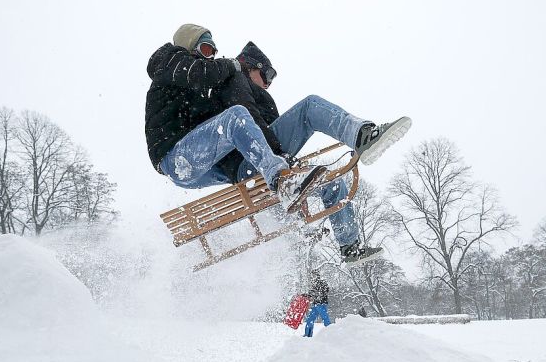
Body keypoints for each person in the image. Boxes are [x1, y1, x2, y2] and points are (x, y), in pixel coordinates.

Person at [145, 24, 410, 265]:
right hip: (179, 157)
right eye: (205, 49)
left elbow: (246, 128)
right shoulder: (178, 65)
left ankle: (350, 244)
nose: (269, 82)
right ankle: (284, 180)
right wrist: (282, 163)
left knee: (330, 178)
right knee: (243, 116)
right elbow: (234, 107)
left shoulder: (207, 88)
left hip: (239, 164)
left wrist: (287, 165)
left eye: (214, 52)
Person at [303, 272, 331, 338]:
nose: (312, 277)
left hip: (321, 304)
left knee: (325, 319)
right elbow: (311, 294)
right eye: (312, 276)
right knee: (310, 320)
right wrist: (305, 295)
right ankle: (308, 335)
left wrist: (319, 294)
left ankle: (331, 334)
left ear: (317, 276)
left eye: (313, 275)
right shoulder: (314, 285)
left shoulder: (322, 283)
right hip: (316, 305)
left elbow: (326, 290)